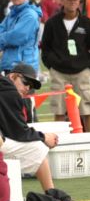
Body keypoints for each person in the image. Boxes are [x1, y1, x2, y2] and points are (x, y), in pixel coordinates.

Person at [41, 0, 90, 132]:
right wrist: (52, 66)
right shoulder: (52, 23)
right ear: (62, 1)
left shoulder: (87, 23)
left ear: (79, 1)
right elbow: (46, 48)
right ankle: (60, 142)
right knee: (59, 110)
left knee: (88, 108)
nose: (72, 2)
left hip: (82, 72)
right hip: (59, 73)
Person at [0, 64, 60, 192]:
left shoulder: (5, 86)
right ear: (12, 76)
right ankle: (53, 196)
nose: (27, 88)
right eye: (25, 82)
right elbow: (19, 132)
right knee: (38, 148)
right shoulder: (10, 92)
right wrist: (44, 137)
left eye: (31, 86)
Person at [1, 0, 41, 75]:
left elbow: (16, 37)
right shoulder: (13, 13)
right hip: (11, 66)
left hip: (24, 68)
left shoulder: (29, 15)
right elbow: (1, 28)